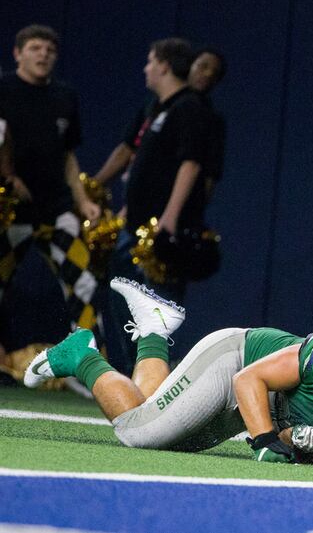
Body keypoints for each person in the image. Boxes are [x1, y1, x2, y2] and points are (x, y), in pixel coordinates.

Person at [24, 277, 313, 470]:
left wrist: (292, 441)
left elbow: (298, 450)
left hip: (260, 407)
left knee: (159, 428)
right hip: (237, 363)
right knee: (138, 433)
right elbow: (249, 381)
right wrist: (263, 440)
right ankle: (81, 354)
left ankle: (152, 329)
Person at [100, 38, 215, 375]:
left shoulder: (190, 108)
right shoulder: (156, 109)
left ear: (164, 65)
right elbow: (141, 167)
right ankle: (127, 373)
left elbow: (191, 165)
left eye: (150, 61)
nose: (146, 69)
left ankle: (151, 377)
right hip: (133, 226)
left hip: (161, 233)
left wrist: (169, 218)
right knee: (121, 297)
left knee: (158, 305)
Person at [0, 24, 102, 346]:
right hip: (11, 212)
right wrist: (9, 177)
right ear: (17, 53)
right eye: (34, 47)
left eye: (50, 49)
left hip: (56, 208)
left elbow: (68, 156)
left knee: (84, 284)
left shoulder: (65, 96)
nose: (43, 54)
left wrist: (82, 199)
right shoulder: (3, 90)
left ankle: (90, 365)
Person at [94, 47, 227, 199]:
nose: (208, 74)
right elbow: (127, 148)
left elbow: (205, 172)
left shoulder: (211, 120)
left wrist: (183, 213)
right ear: (189, 65)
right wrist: (94, 187)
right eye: (202, 66)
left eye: (214, 73)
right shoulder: (156, 104)